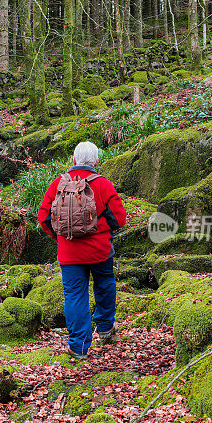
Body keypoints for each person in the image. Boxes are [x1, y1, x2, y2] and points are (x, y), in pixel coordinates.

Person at [37, 141, 128, 360]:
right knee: (105, 285)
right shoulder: (103, 184)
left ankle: (78, 347)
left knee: (75, 296)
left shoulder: (59, 183)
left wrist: (60, 237)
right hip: (99, 250)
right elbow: (120, 218)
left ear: (74, 160)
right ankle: (106, 329)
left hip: (69, 253)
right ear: (96, 161)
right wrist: (103, 230)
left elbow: (43, 216)